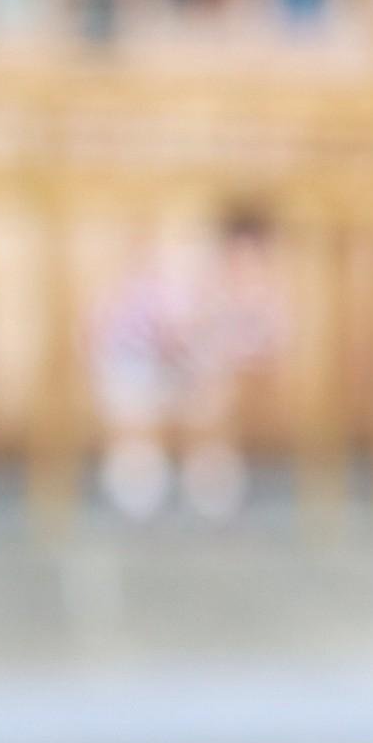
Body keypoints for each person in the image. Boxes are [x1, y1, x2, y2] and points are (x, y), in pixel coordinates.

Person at [93, 204, 288, 521]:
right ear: (226, 249)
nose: (248, 267)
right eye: (241, 257)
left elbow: (267, 344)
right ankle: (140, 475)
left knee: (210, 399)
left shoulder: (262, 293)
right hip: (133, 356)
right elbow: (168, 334)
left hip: (189, 366)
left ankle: (207, 477)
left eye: (257, 260)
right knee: (141, 411)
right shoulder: (185, 274)